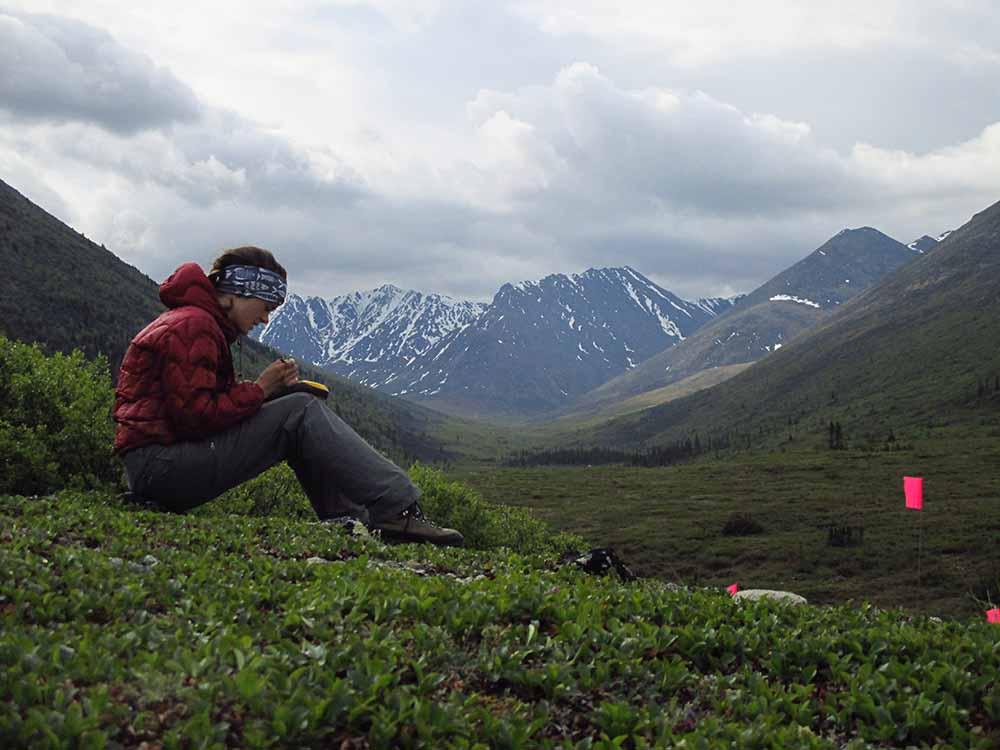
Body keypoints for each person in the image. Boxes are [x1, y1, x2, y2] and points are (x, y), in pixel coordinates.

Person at [113, 246, 463, 547]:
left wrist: (270, 394)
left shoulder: (192, 321)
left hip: (156, 468)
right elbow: (195, 418)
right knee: (299, 411)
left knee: (295, 408)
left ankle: (358, 520)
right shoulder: (194, 326)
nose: (265, 319)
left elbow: (195, 410)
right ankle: (396, 510)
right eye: (265, 306)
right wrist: (261, 390)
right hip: (161, 470)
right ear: (236, 292)